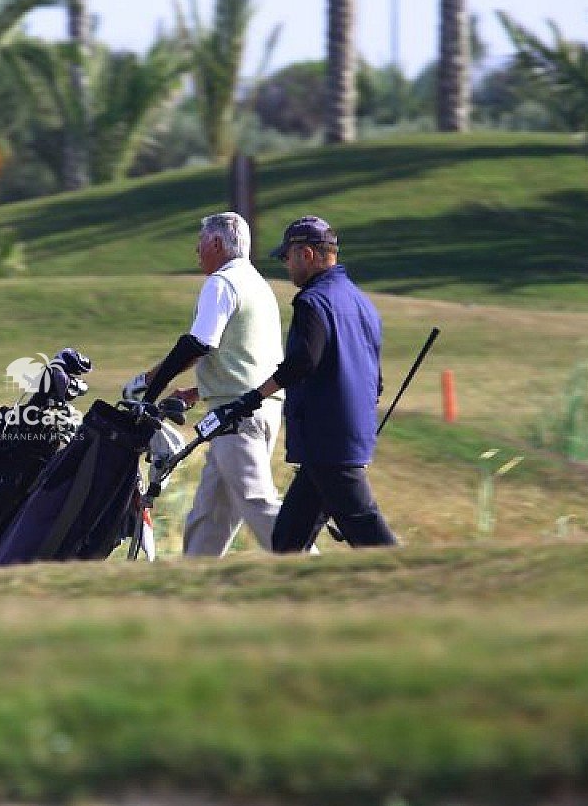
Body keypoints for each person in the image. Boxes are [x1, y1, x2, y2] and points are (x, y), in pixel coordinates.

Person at [207, 215, 398, 552]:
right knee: (287, 542)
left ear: (306, 254)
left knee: (368, 534)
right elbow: (375, 379)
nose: (286, 265)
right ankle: (299, 600)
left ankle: (420, 581)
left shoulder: (313, 302)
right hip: (343, 437)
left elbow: (302, 362)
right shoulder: (362, 303)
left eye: (287, 257)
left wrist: (251, 398)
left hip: (327, 441)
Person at [127, 212, 285, 557]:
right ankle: (194, 587)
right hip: (255, 410)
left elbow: (197, 345)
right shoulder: (258, 285)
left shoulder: (223, 283)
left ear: (216, 243)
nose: (196, 250)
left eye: (200, 242)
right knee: (210, 517)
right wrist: (198, 392)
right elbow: (245, 357)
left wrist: (147, 387)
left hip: (238, 417)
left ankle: (310, 567)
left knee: (257, 503)